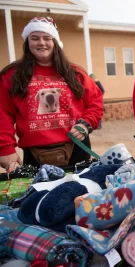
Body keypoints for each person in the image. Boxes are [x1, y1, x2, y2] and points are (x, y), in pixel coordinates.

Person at [0, 17, 103, 172]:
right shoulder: (12, 75)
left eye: (47, 38)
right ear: (27, 43)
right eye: (35, 38)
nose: (41, 42)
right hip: (35, 154)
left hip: (77, 148)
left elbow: (95, 102)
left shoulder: (75, 73)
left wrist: (86, 123)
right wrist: (6, 149)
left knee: (80, 193)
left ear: (55, 42)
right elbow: (2, 114)